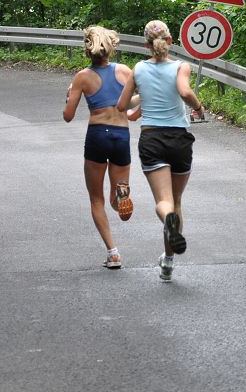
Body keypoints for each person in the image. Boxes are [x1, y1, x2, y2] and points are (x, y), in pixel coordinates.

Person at [116, 20, 204, 282]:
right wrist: (198, 108)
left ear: (146, 45)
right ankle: (168, 262)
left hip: (152, 139)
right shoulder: (181, 66)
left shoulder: (139, 69)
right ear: (170, 42)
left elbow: (122, 105)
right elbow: (184, 91)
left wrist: (141, 98)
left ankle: (167, 222)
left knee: (164, 203)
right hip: (179, 139)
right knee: (177, 203)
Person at [63, 26, 136, 270]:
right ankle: (121, 195)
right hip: (121, 135)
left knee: (96, 199)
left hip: (97, 135)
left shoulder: (82, 77)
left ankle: (113, 253)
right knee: (116, 198)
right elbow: (132, 107)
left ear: (87, 49)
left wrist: (69, 97)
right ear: (111, 48)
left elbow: (68, 116)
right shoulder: (125, 71)